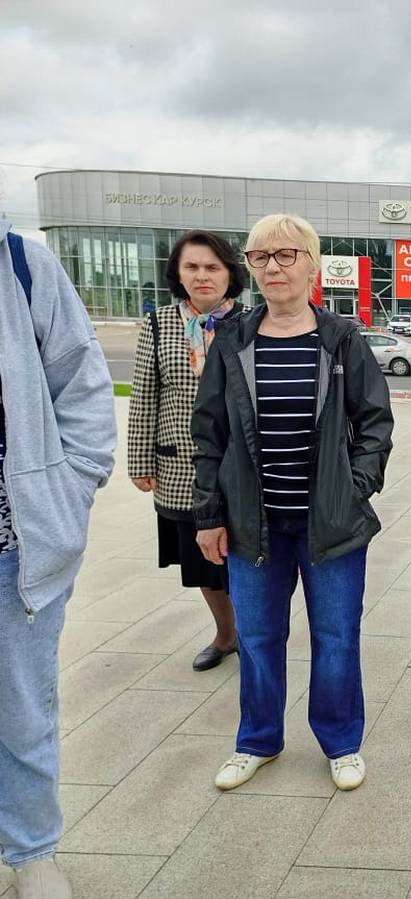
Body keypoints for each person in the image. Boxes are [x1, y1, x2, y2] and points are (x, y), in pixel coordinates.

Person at [191, 214, 393, 792]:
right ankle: (257, 740)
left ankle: (341, 741)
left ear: (311, 264)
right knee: (256, 638)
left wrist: (354, 488)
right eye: (261, 257)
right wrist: (209, 515)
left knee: (337, 637)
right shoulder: (233, 340)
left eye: (286, 255)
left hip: (330, 524)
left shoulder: (341, 338)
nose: (273, 267)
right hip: (252, 524)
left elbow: (375, 422)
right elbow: (209, 433)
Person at [0, 220, 117, 899]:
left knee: (21, 705)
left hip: (15, 541)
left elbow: (82, 382)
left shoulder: (22, 265)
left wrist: (73, 488)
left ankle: (32, 849)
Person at [128, 231, 245, 671]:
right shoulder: (159, 324)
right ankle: (226, 634)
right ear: (177, 273)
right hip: (179, 466)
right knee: (201, 563)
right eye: (191, 267)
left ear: (229, 273)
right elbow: (144, 396)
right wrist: (139, 460)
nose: (202, 276)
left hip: (239, 465)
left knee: (243, 556)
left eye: (212, 267)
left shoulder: (251, 323)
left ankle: (255, 635)